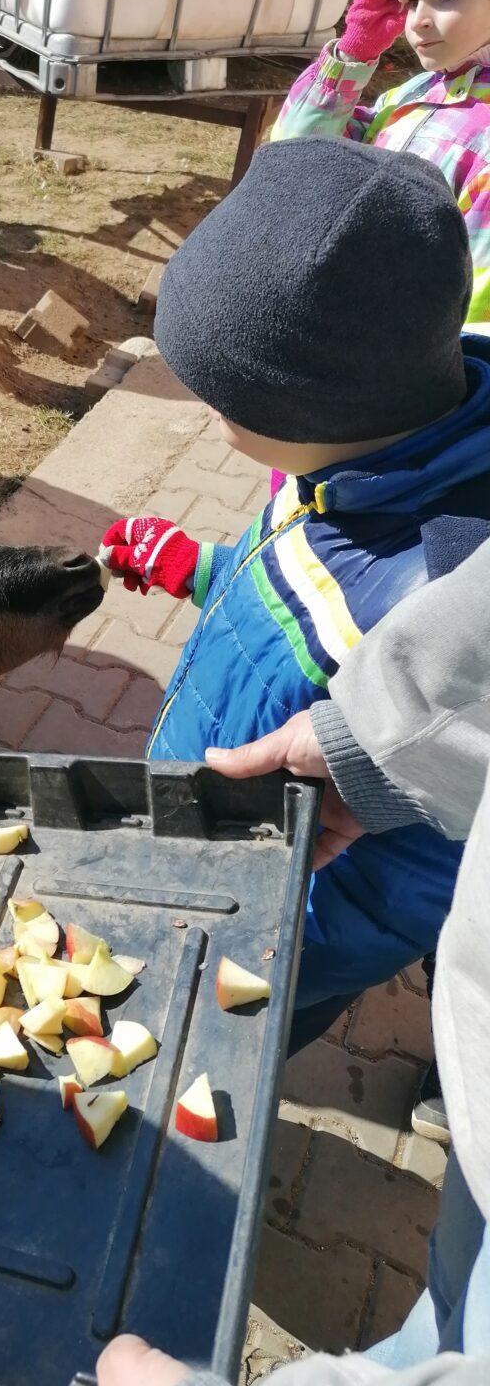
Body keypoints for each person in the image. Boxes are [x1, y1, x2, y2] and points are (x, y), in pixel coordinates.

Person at [98, 136, 490, 1055]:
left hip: (278, 928)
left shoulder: (443, 607)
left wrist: (276, 942)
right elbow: (297, 591)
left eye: (222, 397)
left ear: (311, 406)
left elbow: (428, 870)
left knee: (226, 1051)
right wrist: (199, 566)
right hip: (216, 822)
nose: (206, 412)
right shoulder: (346, 463)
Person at [96, 541, 490, 1386]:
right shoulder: (332, 490)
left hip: (329, 922)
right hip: (478, 1082)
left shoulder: (429, 538)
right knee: (452, 1302)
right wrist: (367, 749)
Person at [271, 0, 490, 330]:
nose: (419, 18)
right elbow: (298, 160)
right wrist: (351, 54)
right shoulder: (413, 95)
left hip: (403, 376)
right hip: (345, 328)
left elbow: (476, 316)